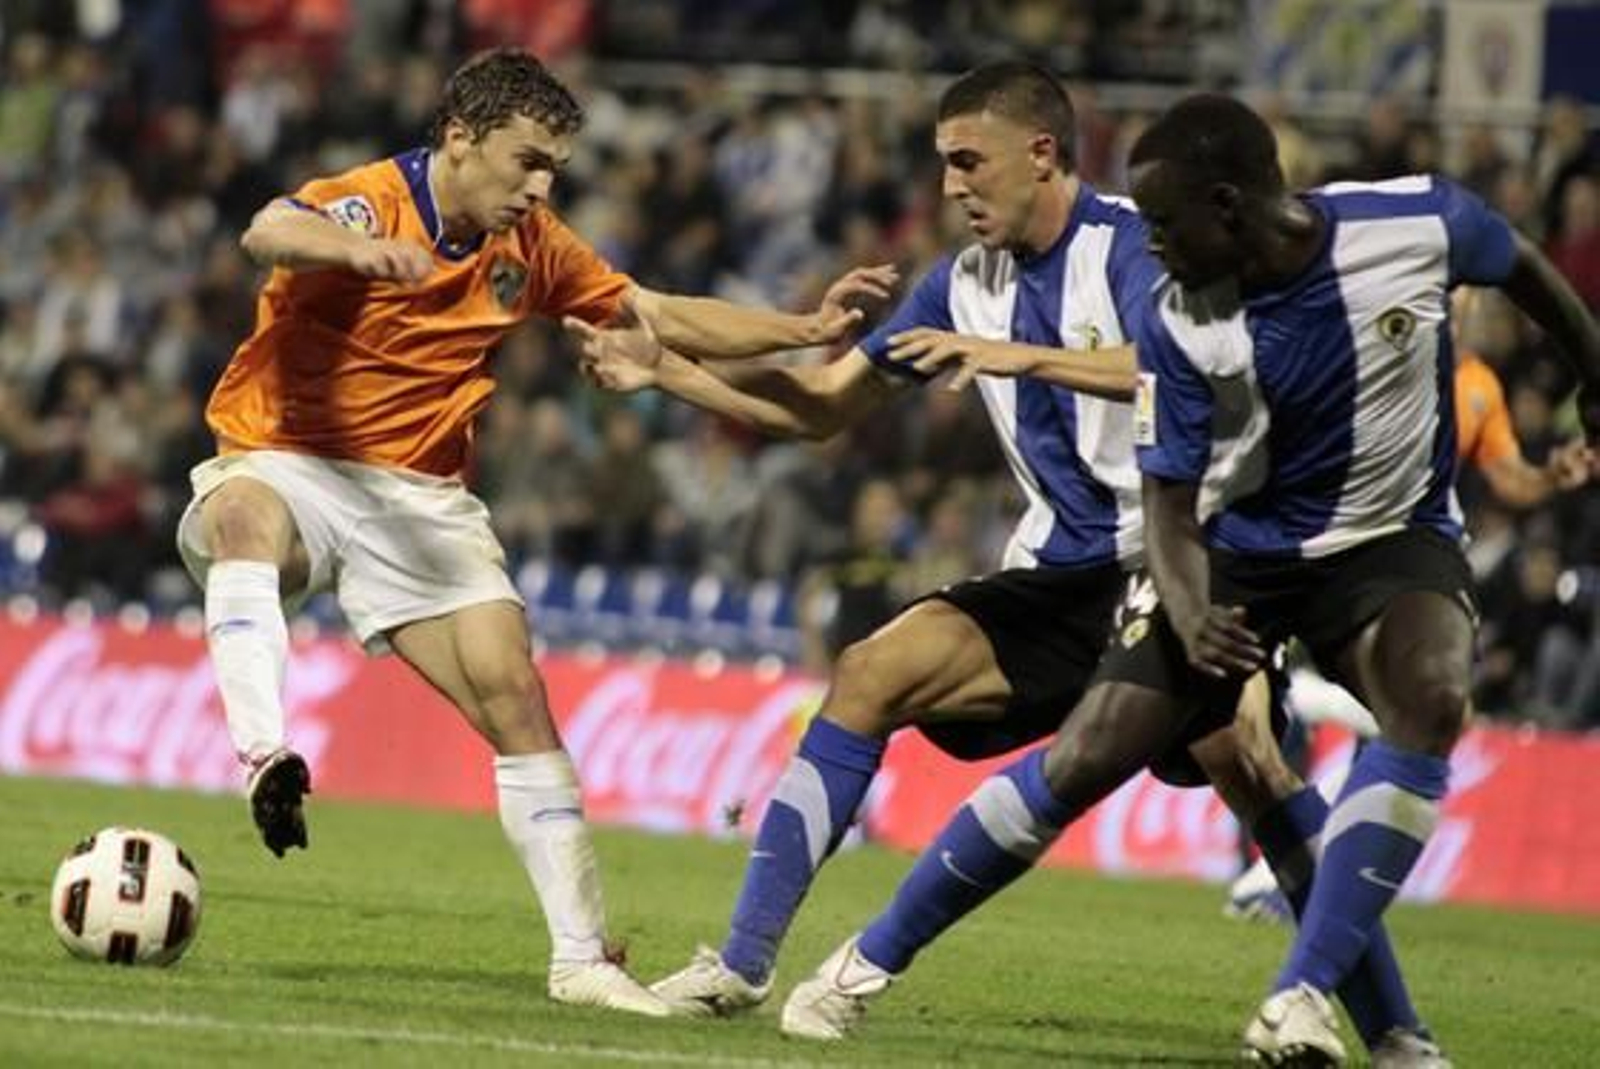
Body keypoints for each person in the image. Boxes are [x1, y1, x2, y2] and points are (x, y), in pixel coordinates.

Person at [569, 64, 1431, 1060]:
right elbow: (820, 409)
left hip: (1177, 557)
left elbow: (1186, 363)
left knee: (1249, 763)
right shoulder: (959, 286)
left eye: (968, 161)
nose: (951, 186)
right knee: (869, 671)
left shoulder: (1132, 246)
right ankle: (741, 961)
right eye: (944, 165)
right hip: (1056, 578)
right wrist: (666, 371)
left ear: (1042, 153)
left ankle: (1396, 1032)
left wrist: (1021, 359)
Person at [176, 47, 890, 1017]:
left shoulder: (535, 246)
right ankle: (266, 753)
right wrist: (355, 253)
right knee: (241, 519)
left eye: (553, 167)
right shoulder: (373, 202)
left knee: (514, 692)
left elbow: (654, 313)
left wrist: (802, 331)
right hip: (289, 457)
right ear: (459, 140)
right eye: (527, 161)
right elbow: (270, 227)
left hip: (420, 498)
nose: (541, 186)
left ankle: (580, 958)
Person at [1118, 95, 1599, 1063]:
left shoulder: (1424, 247)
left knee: (1427, 700)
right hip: (1251, 556)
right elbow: (1167, 490)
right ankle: (861, 961)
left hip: (1395, 549)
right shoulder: (1184, 316)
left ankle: (1308, 992)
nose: (1153, 243)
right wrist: (1190, 602)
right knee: (1097, 755)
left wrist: (1583, 391)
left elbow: (1521, 278)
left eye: (1163, 221)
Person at [1224, 285, 1594, 923]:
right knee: (1327, 722)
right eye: (1454, 297)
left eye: (1471, 301)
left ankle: (1281, 874)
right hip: (1337, 559)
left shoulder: (1478, 387)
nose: (1463, 311)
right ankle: (1284, 866)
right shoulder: (1374, 359)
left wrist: (1549, 476)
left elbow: (1508, 477)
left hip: (1416, 573)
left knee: (1411, 725)